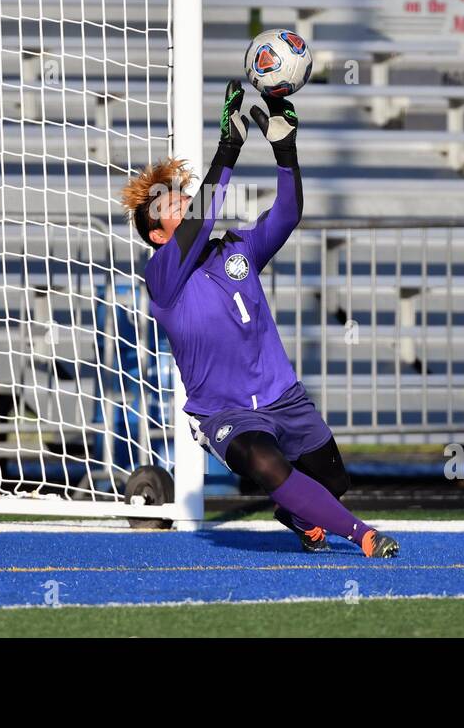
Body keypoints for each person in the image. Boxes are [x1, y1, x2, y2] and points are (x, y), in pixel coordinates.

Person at [119, 80, 399, 558]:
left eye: (178, 195)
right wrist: (228, 146)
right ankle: (364, 536)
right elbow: (202, 218)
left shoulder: (237, 248)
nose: (181, 201)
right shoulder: (162, 276)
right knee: (264, 463)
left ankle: (296, 513)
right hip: (224, 410)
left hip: (281, 395)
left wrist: (285, 152)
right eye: (167, 204)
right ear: (157, 234)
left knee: (333, 480)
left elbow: (287, 215)